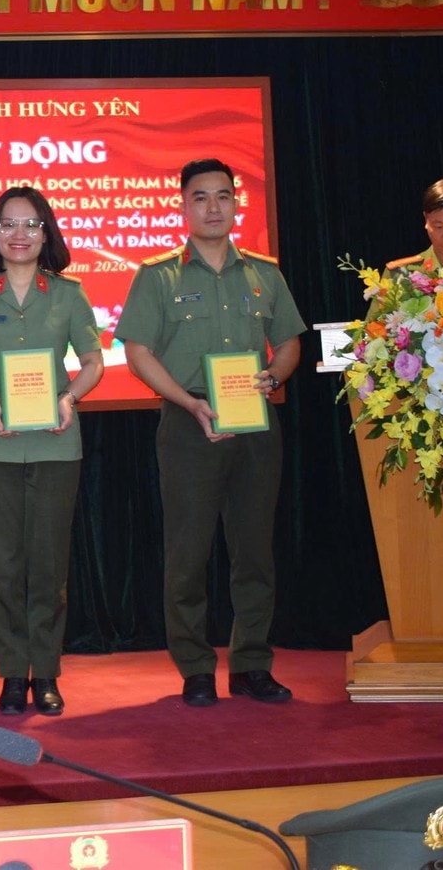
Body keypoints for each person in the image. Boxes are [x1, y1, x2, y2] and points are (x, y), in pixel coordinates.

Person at [114, 158, 305, 708]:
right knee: (188, 553)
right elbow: (138, 352)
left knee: (255, 552)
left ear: (236, 204)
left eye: (223, 196)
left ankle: (251, 664)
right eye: (201, 197)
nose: (213, 207)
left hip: (254, 422)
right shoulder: (159, 276)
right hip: (188, 420)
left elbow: (288, 342)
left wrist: (275, 375)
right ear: (183, 205)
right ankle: (196, 668)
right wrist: (189, 403)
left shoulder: (264, 273)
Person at [0, 188, 104, 717]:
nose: (19, 234)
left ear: (45, 232)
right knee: (3, 568)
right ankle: (13, 673)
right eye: (7, 224)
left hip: (55, 443)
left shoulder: (68, 294)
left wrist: (68, 397)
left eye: (30, 225)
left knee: (49, 567)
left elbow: (93, 362)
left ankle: (47, 673)